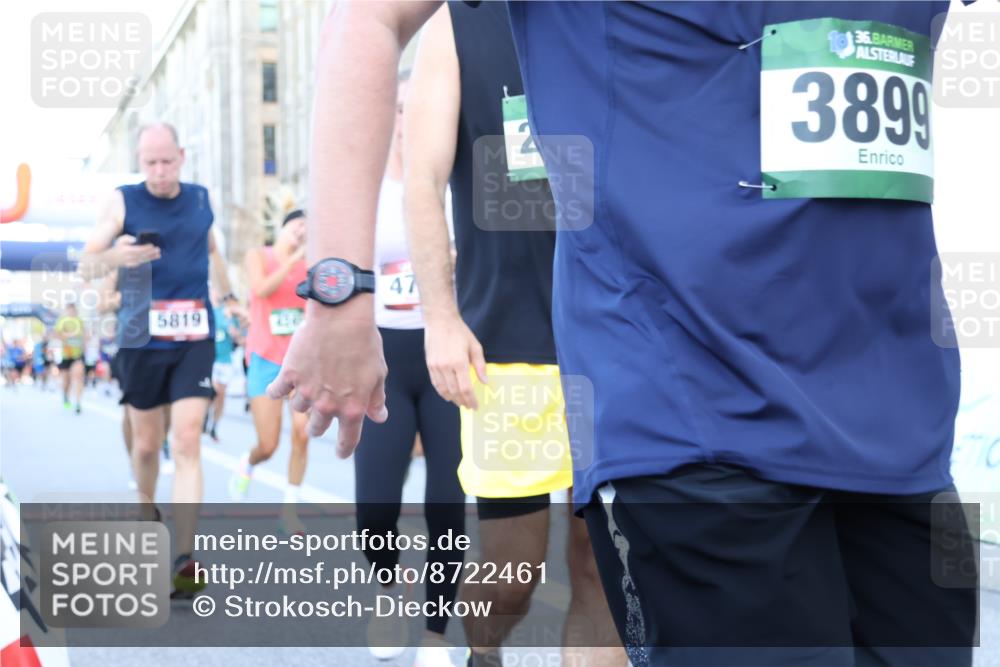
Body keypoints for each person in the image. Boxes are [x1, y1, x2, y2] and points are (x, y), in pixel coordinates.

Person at [271, 3, 979, 666]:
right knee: (516, 568)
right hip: (690, 408)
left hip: (900, 425)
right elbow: (367, 19)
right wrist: (342, 291)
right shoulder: (466, 39)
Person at [405, 6, 623, 666]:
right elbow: (421, 176)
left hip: (618, 338)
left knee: (602, 565)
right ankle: (483, 653)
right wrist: (440, 317)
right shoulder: (459, 21)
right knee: (512, 575)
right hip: (507, 347)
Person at [79, 121, 237, 598]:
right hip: (138, 334)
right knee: (147, 446)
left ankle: (186, 557)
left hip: (194, 332)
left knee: (187, 440)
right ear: (139, 160)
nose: (160, 171)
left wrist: (230, 298)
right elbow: (87, 262)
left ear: (182, 156)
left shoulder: (200, 199)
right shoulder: (122, 200)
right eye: (150, 162)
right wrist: (115, 257)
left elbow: (212, 252)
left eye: (167, 161)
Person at [350, 71, 465, 667]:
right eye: (397, 107)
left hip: (447, 354)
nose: (407, 118)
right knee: (375, 505)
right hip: (385, 359)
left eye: (416, 106)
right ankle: (387, 586)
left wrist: (456, 260)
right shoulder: (365, 190)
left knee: (449, 499)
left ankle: (438, 632)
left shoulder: (458, 186)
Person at [227, 209, 310, 535]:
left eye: (308, 229)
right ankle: (249, 462)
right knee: (269, 444)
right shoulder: (257, 256)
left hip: (302, 361)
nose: (302, 232)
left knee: (302, 434)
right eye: (297, 226)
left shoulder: (311, 265)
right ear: (282, 226)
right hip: (265, 358)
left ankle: (290, 511)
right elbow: (261, 289)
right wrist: (291, 262)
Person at [205, 288, 241, 442]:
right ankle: (205, 415)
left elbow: (237, 336)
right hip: (211, 360)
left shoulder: (229, 314)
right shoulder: (207, 310)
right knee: (213, 390)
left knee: (221, 395)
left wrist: (234, 331)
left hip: (226, 360)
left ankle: (214, 425)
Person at [53, 304, 85, 412]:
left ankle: (78, 403)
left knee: (78, 377)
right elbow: (56, 334)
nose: (72, 312)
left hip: (77, 355)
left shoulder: (80, 321)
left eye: (74, 310)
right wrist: (67, 336)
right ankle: (66, 396)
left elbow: (85, 335)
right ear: (67, 311)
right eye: (70, 310)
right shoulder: (62, 321)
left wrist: (84, 344)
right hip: (66, 355)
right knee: (67, 381)